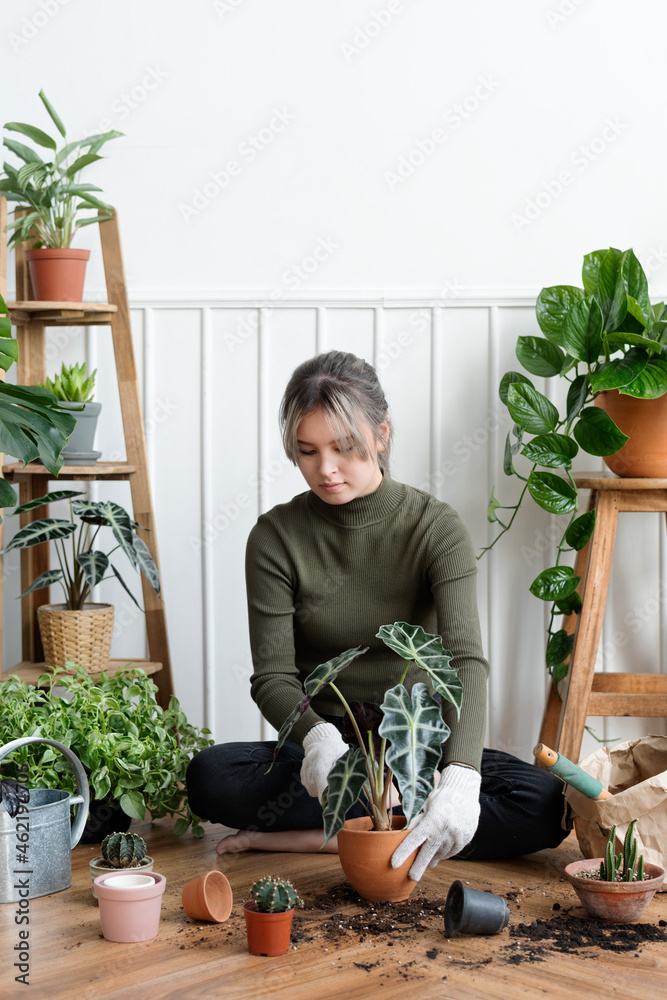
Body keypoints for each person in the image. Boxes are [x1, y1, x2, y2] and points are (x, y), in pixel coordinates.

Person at [186, 350, 568, 880]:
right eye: (306, 451)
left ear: (381, 434)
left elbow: (464, 661)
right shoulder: (275, 537)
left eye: (344, 448)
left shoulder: (435, 528)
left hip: (416, 742)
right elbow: (273, 676)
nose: (326, 469)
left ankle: (329, 837)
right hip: (327, 751)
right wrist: (319, 741)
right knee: (210, 778)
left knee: (545, 803)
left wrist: (458, 777)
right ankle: (389, 825)